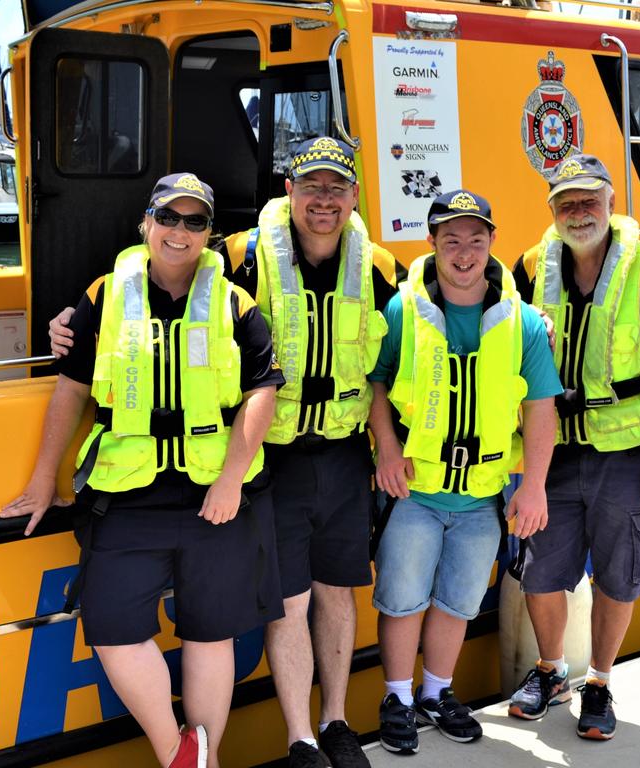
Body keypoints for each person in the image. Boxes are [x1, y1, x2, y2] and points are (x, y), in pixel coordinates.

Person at [51, 138, 398, 768]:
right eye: (310, 185)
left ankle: (337, 722)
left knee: (337, 590)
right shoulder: (241, 258)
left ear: (353, 197)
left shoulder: (380, 268)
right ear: (288, 190)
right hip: (269, 456)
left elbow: (388, 361)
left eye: (335, 187)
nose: (323, 199)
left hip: (342, 453)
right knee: (288, 598)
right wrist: (68, 324)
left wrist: (388, 444)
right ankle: (298, 739)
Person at [2, 173, 285, 768]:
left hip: (216, 495)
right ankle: (179, 753)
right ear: (146, 224)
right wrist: (40, 481)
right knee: (110, 627)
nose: (180, 232)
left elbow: (263, 392)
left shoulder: (236, 303)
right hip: (126, 494)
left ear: (210, 234)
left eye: (195, 221)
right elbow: (70, 390)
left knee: (210, 634)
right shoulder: (104, 297)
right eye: (169, 217)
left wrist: (232, 477)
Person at [508, 154, 640, 740]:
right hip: (552, 452)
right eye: (566, 202)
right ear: (551, 210)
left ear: (612, 202)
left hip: (630, 454)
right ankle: (549, 671)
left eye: (589, 199)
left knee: (620, 576)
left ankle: (599, 681)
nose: (578, 211)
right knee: (539, 575)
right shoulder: (526, 267)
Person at [367, 190, 561, 754]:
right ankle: (397, 698)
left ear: (492, 243)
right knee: (402, 600)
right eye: (450, 239)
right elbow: (376, 382)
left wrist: (534, 486)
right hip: (416, 490)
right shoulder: (404, 310)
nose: (463, 251)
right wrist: (384, 446)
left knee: (457, 603)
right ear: (432, 243)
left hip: (483, 496)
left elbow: (541, 407)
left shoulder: (522, 322)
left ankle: (436, 692)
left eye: (476, 238)